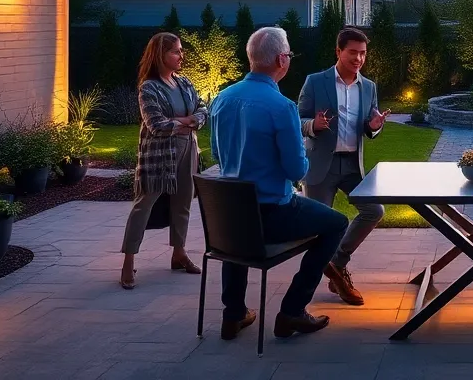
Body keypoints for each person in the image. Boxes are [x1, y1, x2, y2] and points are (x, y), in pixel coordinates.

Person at [209, 27, 349, 340]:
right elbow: (296, 170)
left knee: (237, 233)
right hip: (270, 215)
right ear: (281, 59)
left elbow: (218, 153)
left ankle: (233, 315)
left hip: (229, 218)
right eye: (289, 55)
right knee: (337, 223)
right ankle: (292, 311)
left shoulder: (221, 99)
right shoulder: (281, 107)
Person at [297, 27, 390, 306]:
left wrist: (373, 128)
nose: (359, 58)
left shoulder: (369, 86)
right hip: (320, 166)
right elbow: (297, 119)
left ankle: (337, 263)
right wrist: (314, 125)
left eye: (363, 53)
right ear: (338, 51)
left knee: (374, 209)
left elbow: (369, 125)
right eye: (353, 52)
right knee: (321, 227)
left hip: (351, 165)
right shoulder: (315, 82)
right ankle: (303, 296)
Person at [120, 32, 205, 290]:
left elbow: (203, 109)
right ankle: (128, 262)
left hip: (188, 149)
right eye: (176, 51)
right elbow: (156, 124)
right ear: (161, 55)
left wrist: (189, 121)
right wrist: (186, 122)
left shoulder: (184, 83)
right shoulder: (149, 87)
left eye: (180, 50)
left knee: (183, 203)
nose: (182, 55)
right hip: (159, 154)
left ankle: (179, 254)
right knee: (143, 205)